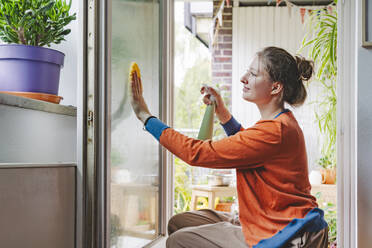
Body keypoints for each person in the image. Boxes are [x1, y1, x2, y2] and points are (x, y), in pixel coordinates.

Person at [129, 46, 328, 248]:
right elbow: (248, 144)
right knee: (179, 223)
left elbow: (196, 153)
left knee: (178, 240)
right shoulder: (280, 124)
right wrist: (222, 112)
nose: (243, 78)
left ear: (275, 88)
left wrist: (145, 116)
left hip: (286, 233)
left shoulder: (275, 131)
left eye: (253, 74)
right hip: (270, 219)